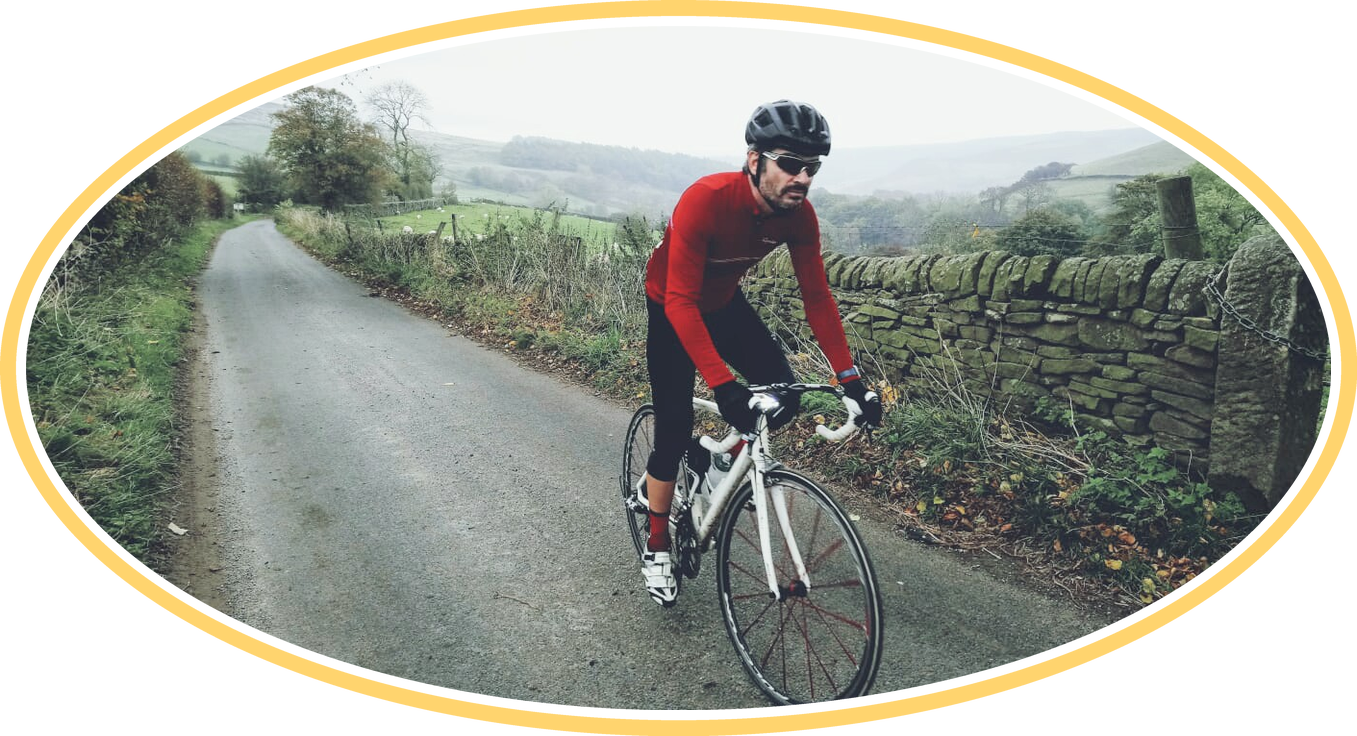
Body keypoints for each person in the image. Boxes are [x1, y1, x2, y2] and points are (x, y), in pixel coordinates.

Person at [636, 100, 882, 607]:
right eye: (790, 164)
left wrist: (850, 380)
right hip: (672, 307)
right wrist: (724, 387)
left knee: (786, 397)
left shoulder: (799, 217)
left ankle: (716, 462)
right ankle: (657, 544)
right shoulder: (706, 200)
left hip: (725, 305)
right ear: (754, 161)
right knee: (672, 432)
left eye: (812, 168)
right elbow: (681, 301)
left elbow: (817, 298)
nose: (802, 178)